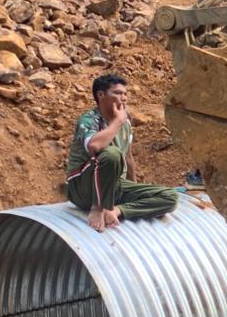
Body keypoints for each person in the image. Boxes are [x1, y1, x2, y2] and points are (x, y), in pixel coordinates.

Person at [65, 74, 179, 232]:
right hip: (84, 188)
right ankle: (98, 208)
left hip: (113, 187)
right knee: (112, 154)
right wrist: (118, 121)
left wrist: (135, 187)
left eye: (125, 94)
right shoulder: (89, 120)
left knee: (170, 197)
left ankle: (116, 211)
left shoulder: (125, 125)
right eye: (118, 93)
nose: (124, 98)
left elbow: (128, 158)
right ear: (101, 95)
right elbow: (95, 146)